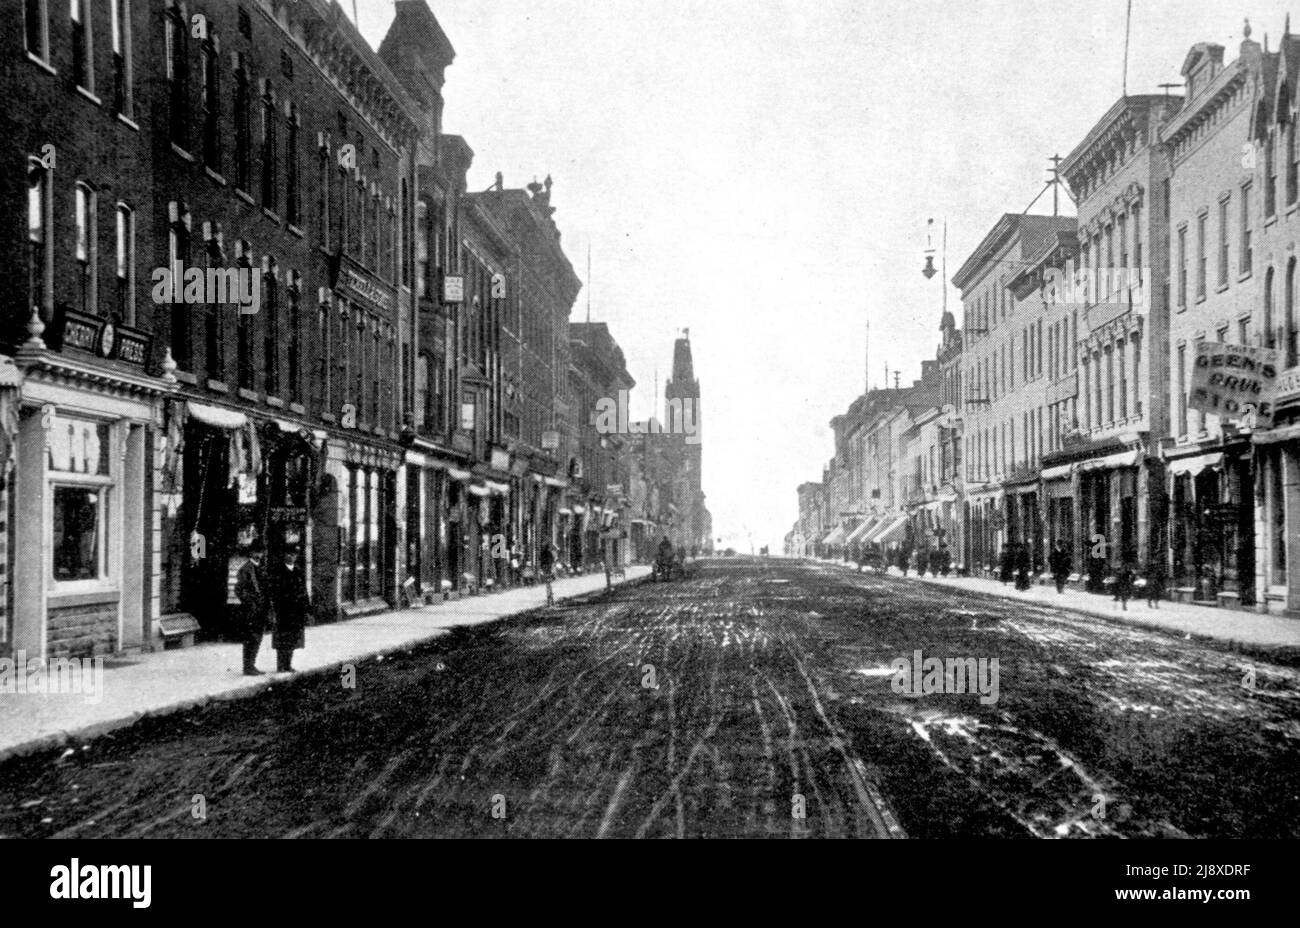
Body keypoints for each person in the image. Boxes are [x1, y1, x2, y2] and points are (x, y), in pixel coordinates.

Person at [269, 544, 310, 673]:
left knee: (293, 638)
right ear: (284, 555)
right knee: (282, 638)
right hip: (283, 610)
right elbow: (274, 591)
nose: (291, 557)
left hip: (296, 611)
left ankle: (288, 664)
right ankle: (281, 665)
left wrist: (307, 609)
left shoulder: (298, 571)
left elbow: (304, 591)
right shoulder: (278, 571)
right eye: (289, 554)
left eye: (294, 555)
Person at [234, 541, 270, 676]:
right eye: (256, 551)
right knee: (250, 637)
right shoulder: (245, 569)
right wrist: (249, 602)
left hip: (261, 609)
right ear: (251, 552)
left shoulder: (261, 568)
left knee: (257, 637)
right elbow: (238, 589)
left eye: (260, 552)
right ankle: (248, 666)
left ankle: (252, 665)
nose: (258, 554)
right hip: (251, 610)